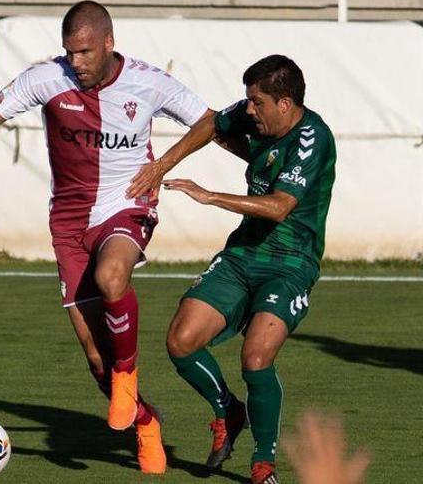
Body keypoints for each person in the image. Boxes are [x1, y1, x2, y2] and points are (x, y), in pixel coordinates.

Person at [0, 0, 213, 474]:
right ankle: (145, 422)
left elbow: (210, 120)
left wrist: (162, 165)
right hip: (69, 223)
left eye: (84, 52)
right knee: (96, 358)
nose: (75, 62)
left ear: (108, 43)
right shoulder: (46, 78)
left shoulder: (148, 81)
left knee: (112, 275)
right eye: (69, 53)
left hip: (126, 203)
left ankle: (127, 375)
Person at [128, 54, 337, 484]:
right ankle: (228, 410)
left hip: (291, 262)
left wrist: (209, 196)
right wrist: (161, 166)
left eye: (257, 103)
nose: (249, 110)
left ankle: (263, 464)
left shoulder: (312, 137)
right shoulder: (254, 115)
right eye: (248, 101)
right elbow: (210, 123)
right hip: (244, 253)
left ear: (285, 103)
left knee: (256, 357)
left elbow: (280, 207)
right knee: (181, 341)